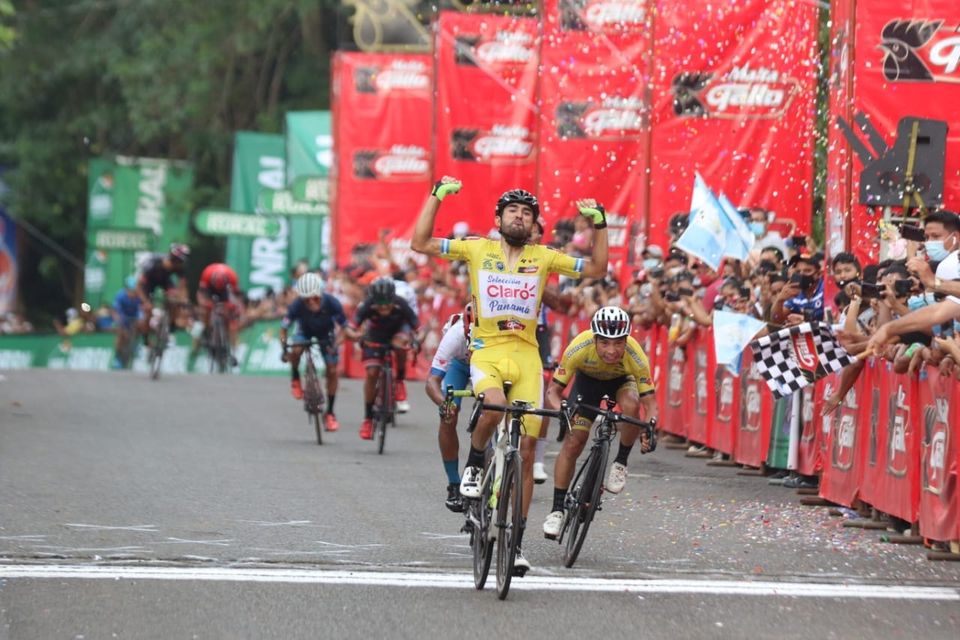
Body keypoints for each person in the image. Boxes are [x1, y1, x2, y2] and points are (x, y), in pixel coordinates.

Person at [411, 176, 608, 574]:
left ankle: (515, 544)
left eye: (527, 213)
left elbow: (599, 267)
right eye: (512, 211)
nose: (520, 217)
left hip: (527, 357)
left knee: (529, 450)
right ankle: (473, 463)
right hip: (488, 350)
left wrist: (600, 225)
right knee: (494, 408)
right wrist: (436, 197)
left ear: (534, 222)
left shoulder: (545, 256)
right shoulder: (476, 249)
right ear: (498, 219)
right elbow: (421, 243)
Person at [541, 306, 657, 537]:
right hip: (587, 384)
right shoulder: (579, 346)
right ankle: (556, 510)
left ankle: (620, 462)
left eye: (618, 343)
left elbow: (650, 402)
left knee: (632, 405)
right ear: (594, 339)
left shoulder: (635, 354)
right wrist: (562, 408)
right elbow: (553, 392)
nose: (612, 351)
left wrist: (651, 426)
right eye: (604, 343)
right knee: (575, 441)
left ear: (627, 340)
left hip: (622, 382)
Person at [867, 210, 960, 352]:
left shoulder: (948, 265)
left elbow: (939, 313)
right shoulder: (948, 264)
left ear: (955, 237)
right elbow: (940, 314)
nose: (930, 243)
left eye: (935, 237)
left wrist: (934, 282)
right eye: (927, 237)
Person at [344, 276, 420, 440]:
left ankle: (399, 381)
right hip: (376, 335)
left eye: (388, 304)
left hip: (398, 331)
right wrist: (356, 336)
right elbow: (351, 328)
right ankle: (368, 418)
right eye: (380, 304)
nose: (384, 308)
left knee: (400, 345)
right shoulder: (367, 305)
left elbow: (416, 326)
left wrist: (416, 339)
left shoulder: (401, 303)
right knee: (372, 373)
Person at [280, 272, 348, 432]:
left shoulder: (332, 303)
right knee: (296, 349)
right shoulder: (296, 305)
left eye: (315, 298)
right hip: (304, 331)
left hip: (326, 333)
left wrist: (336, 343)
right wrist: (284, 348)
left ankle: (330, 413)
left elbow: (345, 329)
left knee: (332, 370)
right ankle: (295, 377)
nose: (311, 302)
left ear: (321, 294)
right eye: (306, 299)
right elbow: (283, 329)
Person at [425, 304, 473, 513]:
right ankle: (454, 483)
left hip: (490, 364)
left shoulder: (498, 329)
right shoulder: (455, 335)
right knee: (448, 415)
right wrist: (444, 404)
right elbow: (432, 382)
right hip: (459, 366)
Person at [137, 243, 190, 342]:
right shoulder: (153, 264)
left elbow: (183, 286)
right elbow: (139, 286)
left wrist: (183, 300)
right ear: (172, 259)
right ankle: (146, 337)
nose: (179, 265)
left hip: (165, 281)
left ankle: (170, 326)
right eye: (177, 262)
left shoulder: (179, 267)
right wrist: (145, 301)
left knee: (174, 301)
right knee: (148, 310)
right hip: (148, 283)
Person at [196, 262, 241, 366]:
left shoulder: (232, 277)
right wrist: (204, 304)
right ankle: (207, 329)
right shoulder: (207, 274)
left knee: (230, 319)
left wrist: (234, 308)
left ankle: (233, 351)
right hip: (209, 290)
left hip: (225, 292)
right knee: (206, 309)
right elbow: (200, 295)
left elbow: (237, 297)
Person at [771, 249, 824, 325]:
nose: (802, 274)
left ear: (818, 274)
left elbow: (832, 320)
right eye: (798, 271)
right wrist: (780, 299)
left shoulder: (825, 289)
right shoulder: (794, 292)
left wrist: (804, 322)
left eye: (807, 271)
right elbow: (776, 320)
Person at [111, 276, 142, 368]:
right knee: (121, 334)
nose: (132, 293)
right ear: (126, 289)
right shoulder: (120, 295)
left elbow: (142, 309)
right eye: (130, 290)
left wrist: (141, 319)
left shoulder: (139, 296)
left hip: (134, 318)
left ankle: (136, 347)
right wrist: (118, 320)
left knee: (140, 327)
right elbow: (115, 311)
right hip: (123, 317)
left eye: (134, 290)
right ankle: (117, 357)